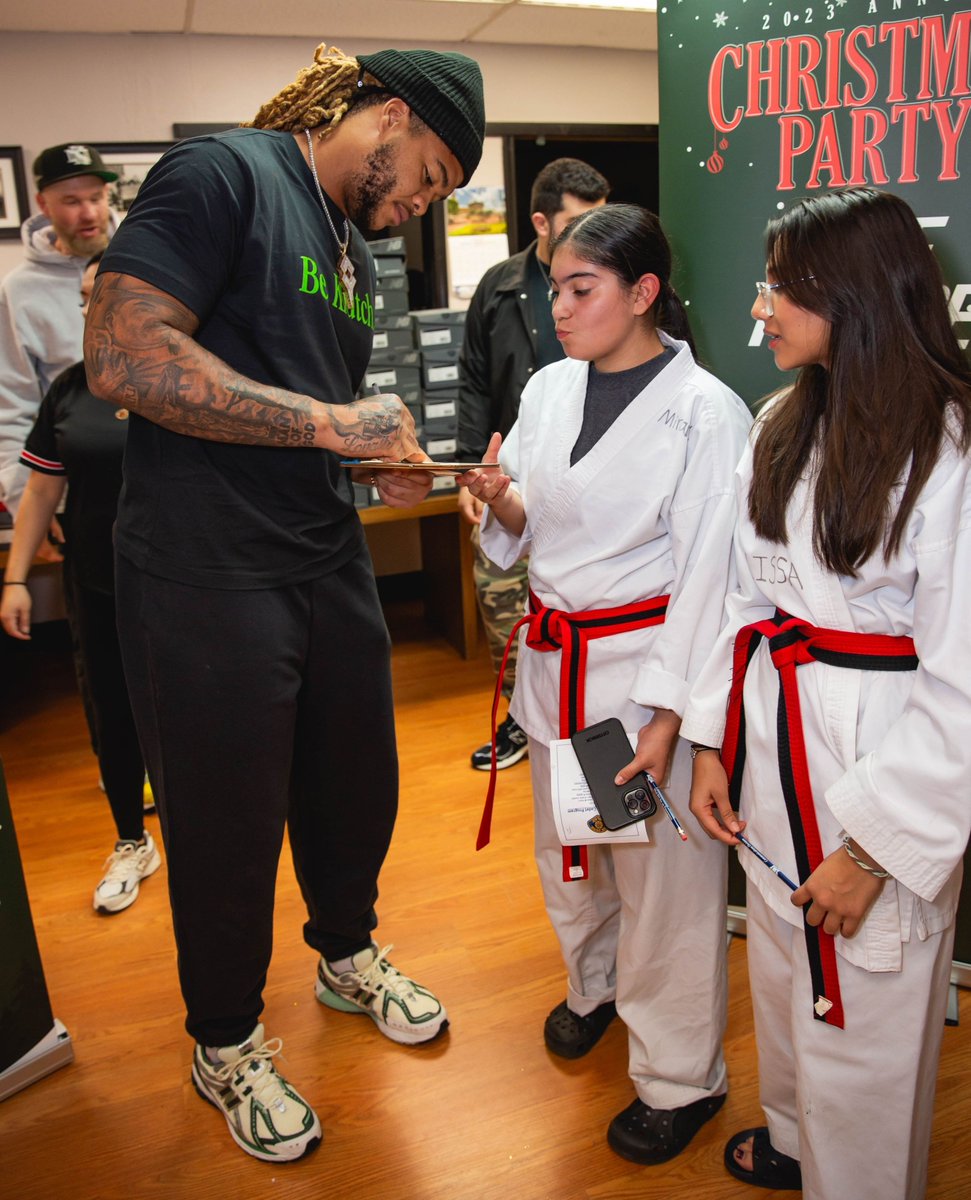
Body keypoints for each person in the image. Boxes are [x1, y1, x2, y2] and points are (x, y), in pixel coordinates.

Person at [82, 43, 485, 1164]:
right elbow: (122, 357)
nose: (416, 206)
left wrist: (369, 457)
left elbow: (296, 402)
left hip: (320, 551)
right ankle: (224, 1044)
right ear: (387, 111)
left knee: (354, 783)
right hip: (203, 570)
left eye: (438, 198)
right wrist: (325, 425)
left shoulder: (350, 252)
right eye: (427, 176)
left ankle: (346, 955)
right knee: (224, 827)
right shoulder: (224, 176)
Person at [683, 187, 971, 1200]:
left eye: (780, 288)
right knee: (777, 962)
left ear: (852, 296)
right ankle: (797, 1142)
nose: (758, 307)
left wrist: (868, 851)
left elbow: (962, 689)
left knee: (865, 994)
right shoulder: (779, 420)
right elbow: (736, 596)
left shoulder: (947, 449)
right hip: (776, 732)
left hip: (874, 751)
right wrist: (714, 740)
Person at [460, 204, 752, 1164]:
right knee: (567, 856)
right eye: (554, 289)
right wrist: (500, 503)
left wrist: (673, 712)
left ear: (642, 293)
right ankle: (593, 990)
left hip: (639, 680)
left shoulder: (706, 412)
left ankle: (680, 1079)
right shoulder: (547, 389)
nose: (560, 308)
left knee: (662, 885)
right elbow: (529, 523)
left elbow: (714, 577)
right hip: (555, 665)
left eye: (581, 289)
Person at [0, 252, 157, 914]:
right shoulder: (69, 388)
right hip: (94, 583)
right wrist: (14, 578)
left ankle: (209, 839)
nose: (94, 307)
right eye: (86, 296)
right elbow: (41, 491)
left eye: (108, 293)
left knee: (190, 718)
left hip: (180, 584)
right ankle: (131, 840)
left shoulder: (180, 380)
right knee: (112, 715)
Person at [458, 157, 610, 771]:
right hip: (505, 471)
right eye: (577, 223)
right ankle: (521, 721)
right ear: (542, 223)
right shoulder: (498, 286)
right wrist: (473, 471)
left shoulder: (616, 289)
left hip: (583, 486)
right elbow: (471, 380)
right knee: (503, 609)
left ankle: (583, 735)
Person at [0, 143, 117, 520]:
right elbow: (11, 402)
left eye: (97, 197)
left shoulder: (145, 259)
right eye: (71, 201)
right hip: (72, 489)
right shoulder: (18, 291)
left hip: (153, 478)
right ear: (43, 204)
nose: (89, 213)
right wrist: (27, 505)